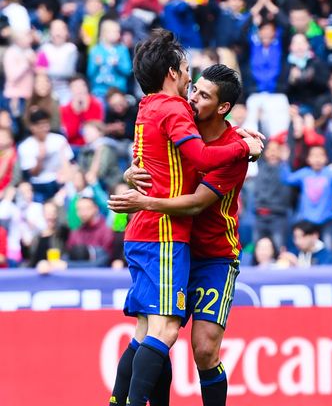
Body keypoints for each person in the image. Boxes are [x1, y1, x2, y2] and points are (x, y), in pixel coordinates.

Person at [110, 31, 262, 406]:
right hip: (172, 241)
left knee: (203, 348)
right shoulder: (179, 122)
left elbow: (195, 203)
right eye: (194, 88)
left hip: (212, 254)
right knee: (161, 330)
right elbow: (153, 159)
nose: (193, 96)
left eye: (204, 95)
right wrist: (134, 171)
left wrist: (144, 202)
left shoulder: (231, 151)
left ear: (223, 108)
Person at [281, 145, 332, 251]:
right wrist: (284, 161)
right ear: (308, 159)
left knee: (328, 249)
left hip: (327, 219)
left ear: (326, 159)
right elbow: (287, 179)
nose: (317, 159)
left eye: (320, 155)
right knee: (305, 249)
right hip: (307, 220)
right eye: (314, 156)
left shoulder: (330, 173)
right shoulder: (304, 173)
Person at [17, 109, 74, 202]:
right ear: (32, 127)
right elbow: (32, 174)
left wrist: (65, 173)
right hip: (38, 184)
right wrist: (40, 159)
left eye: (46, 124)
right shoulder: (25, 146)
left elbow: (71, 163)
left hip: (58, 181)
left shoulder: (59, 140)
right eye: (40, 125)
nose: (44, 128)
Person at [66, 196, 114, 265]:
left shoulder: (106, 231)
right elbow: (70, 254)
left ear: (96, 209)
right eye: (79, 209)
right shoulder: (75, 232)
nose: (83, 213)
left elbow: (106, 258)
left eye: (86, 209)